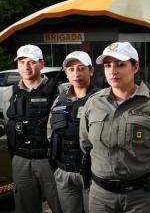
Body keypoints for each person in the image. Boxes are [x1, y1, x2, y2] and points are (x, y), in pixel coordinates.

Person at [79, 41, 150, 213]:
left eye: (120, 65)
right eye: (107, 65)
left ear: (135, 67)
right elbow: (86, 144)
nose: (113, 71)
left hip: (143, 196)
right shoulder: (93, 103)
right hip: (101, 197)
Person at [1, 44, 62, 213]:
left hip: (50, 160)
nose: (26, 67)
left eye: (31, 62)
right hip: (21, 161)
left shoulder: (59, 91)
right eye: (21, 62)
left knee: (61, 206)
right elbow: (9, 124)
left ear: (42, 64)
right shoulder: (8, 94)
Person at [47, 51, 99, 213]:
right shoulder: (60, 99)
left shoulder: (101, 99)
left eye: (81, 68)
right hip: (64, 172)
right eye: (71, 69)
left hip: (92, 174)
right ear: (66, 73)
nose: (76, 73)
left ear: (91, 70)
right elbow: (51, 131)